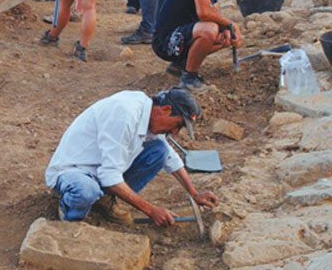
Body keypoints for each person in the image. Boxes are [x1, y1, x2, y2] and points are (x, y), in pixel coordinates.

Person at [46, 87, 219, 226]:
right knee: (86, 191)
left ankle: (105, 200)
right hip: (74, 171)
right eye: (177, 125)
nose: (174, 132)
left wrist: (194, 193)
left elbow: (170, 158)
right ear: (166, 110)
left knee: (160, 151)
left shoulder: (149, 113)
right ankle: (71, 214)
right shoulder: (125, 114)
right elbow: (110, 176)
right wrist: (151, 210)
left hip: (103, 169)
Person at [152, 0, 244, 90]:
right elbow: (204, 13)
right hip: (165, 43)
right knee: (210, 29)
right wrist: (233, 25)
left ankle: (181, 65)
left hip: (178, 42)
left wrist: (227, 30)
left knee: (224, 35)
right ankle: (190, 78)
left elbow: (216, 15)